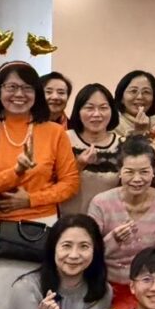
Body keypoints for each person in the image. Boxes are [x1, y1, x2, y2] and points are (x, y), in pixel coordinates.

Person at [0, 62, 79, 247]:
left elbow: (70, 183)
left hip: (40, 223)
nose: (19, 94)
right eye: (11, 87)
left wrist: (30, 200)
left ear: (37, 94)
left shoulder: (55, 132)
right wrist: (17, 171)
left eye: (27, 88)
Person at [88, 138, 155, 309]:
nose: (137, 179)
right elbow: (89, 254)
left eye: (144, 172)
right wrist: (113, 239)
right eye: (129, 172)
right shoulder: (101, 203)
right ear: (119, 172)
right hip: (105, 284)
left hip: (148, 287)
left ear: (153, 172)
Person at [62, 83, 125, 216]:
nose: (96, 114)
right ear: (78, 111)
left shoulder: (123, 145)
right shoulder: (64, 139)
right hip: (66, 221)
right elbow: (51, 183)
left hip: (107, 221)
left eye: (103, 108)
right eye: (89, 108)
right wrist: (79, 164)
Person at [113, 70, 155, 137]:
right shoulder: (112, 126)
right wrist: (138, 133)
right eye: (133, 91)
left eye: (146, 92)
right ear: (121, 97)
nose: (140, 97)